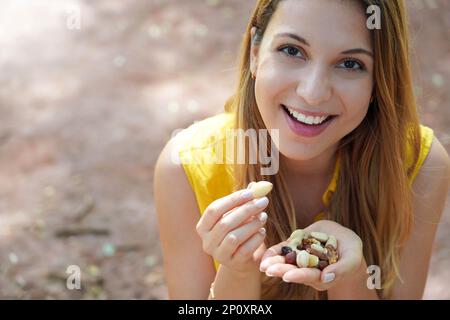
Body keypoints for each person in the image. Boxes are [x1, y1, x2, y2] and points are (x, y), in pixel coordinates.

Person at [154, 0, 450, 299]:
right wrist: (238, 272)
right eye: (292, 51)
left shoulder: (420, 165)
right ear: (255, 53)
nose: (312, 93)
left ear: (378, 82)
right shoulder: (184, 168)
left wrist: (350, 278)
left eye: (350, 64)